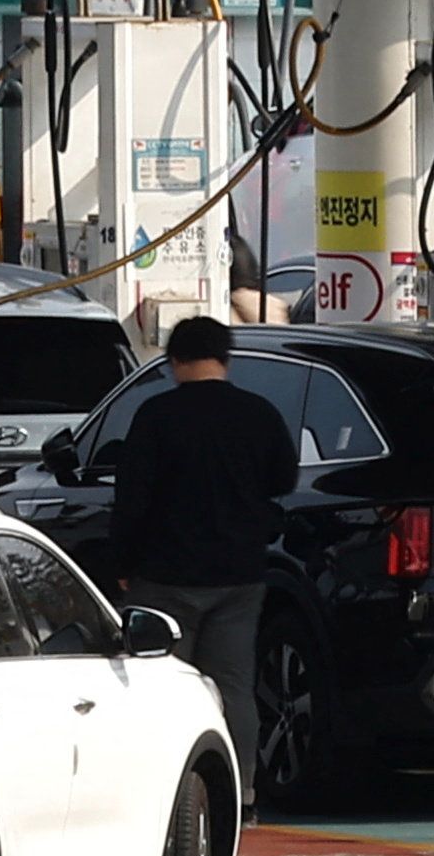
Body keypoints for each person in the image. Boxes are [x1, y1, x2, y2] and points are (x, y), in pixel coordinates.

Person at [111, 314, 296, 780]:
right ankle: (243, 791)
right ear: (225, 358)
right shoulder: (259, 414)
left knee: (162, 688)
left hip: (164, 577)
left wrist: (123, 562)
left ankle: (167, 788)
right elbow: (283, 480)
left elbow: (131, 497)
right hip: (239, 575)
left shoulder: (156, 416)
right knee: (233, 686)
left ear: (175, 360)